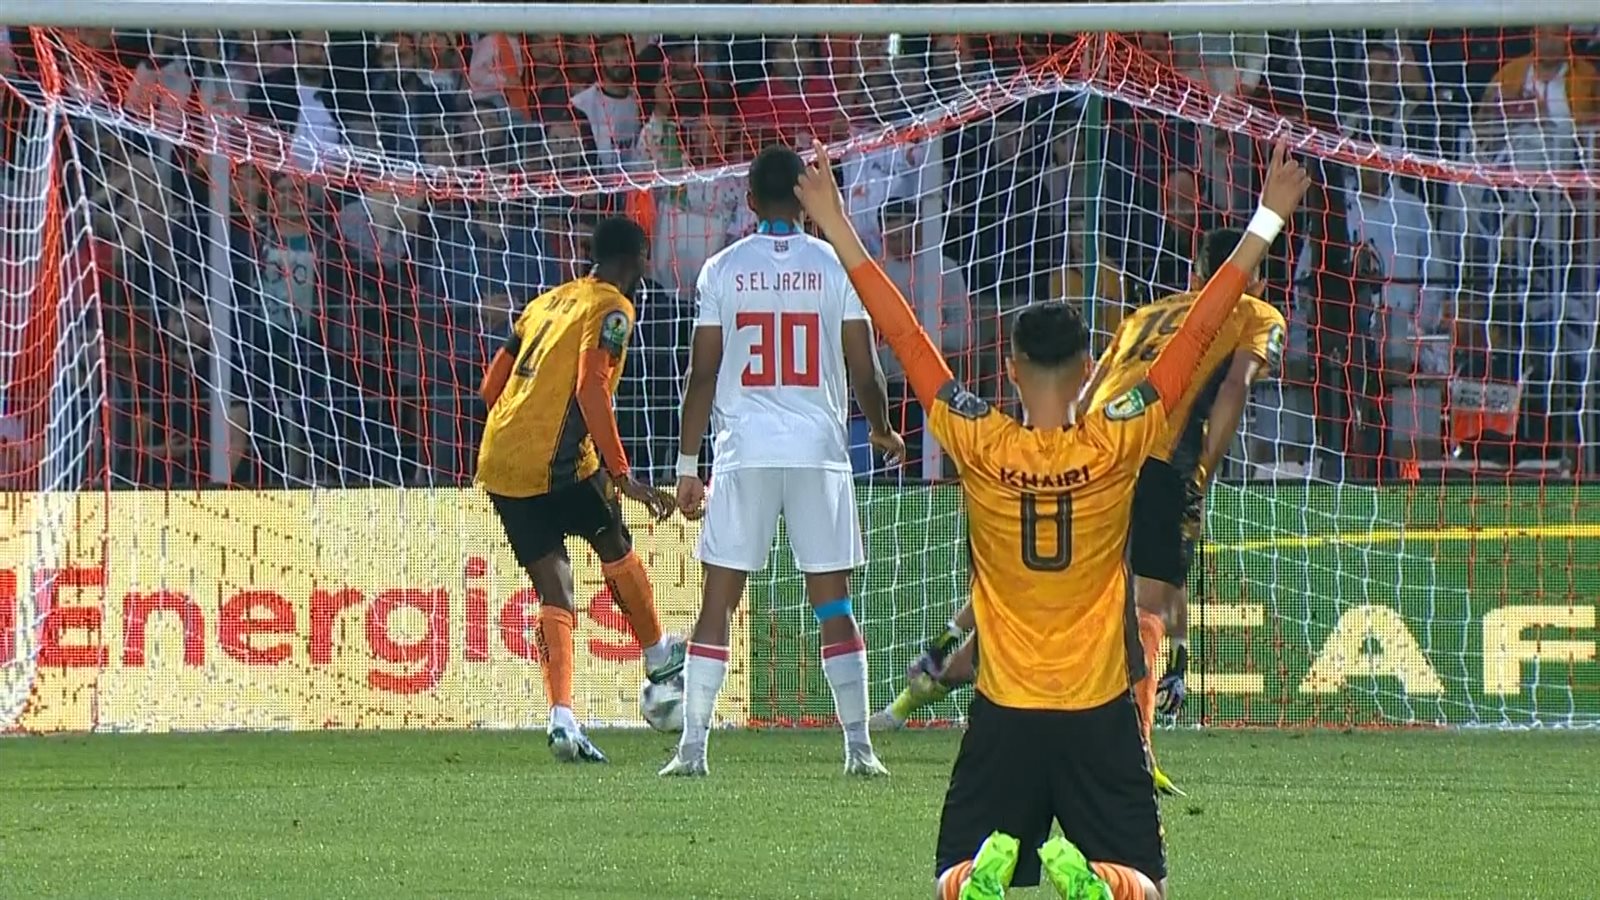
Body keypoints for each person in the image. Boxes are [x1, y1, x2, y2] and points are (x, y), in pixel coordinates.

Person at [793, 137, 1309, 899]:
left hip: (1004, 712)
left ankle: (983, 873)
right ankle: (1100, 880)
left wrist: (838, 224)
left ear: (1008, 369)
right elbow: (1201, 329)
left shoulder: (977, 438)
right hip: (1099, 713)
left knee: (949, 876)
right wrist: (1267, 217)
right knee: (1147, 884)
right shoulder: (1120, 438)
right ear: (1087, 370)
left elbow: (904, 335)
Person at [874, 228, 1288, 800]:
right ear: (1256, 282)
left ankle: (912, 693)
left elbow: (1090, 389)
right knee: (1147, 609)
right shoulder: (1256, 313)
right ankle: (1138, 752)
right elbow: (1234, 387)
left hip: (1092, 453)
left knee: (1038, 598)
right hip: (1158, 457)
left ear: (1195, 273)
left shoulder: (1145, 315)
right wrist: (1204, 470)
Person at [660, 145, 904, 778]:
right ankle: (859, 749)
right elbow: (865, 367)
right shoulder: (835, 264)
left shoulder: (721, 268)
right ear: (805, 199)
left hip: (744, 452)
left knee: (718, 604)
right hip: (818, 452)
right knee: (833, 605)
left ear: (748, 201)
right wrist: (881, 428)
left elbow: (702, 374)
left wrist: (687, 466)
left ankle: (692, 749)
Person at [476, 216, 684, 764]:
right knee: (613, 538)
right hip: (559, 462)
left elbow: (490, 386)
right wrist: (623, 474)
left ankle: (563, 719)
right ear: (639, 259)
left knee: (556, 589)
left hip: (500, 459)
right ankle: (659, 657)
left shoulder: (543, 303)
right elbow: (591, 387)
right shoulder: (614, 308)